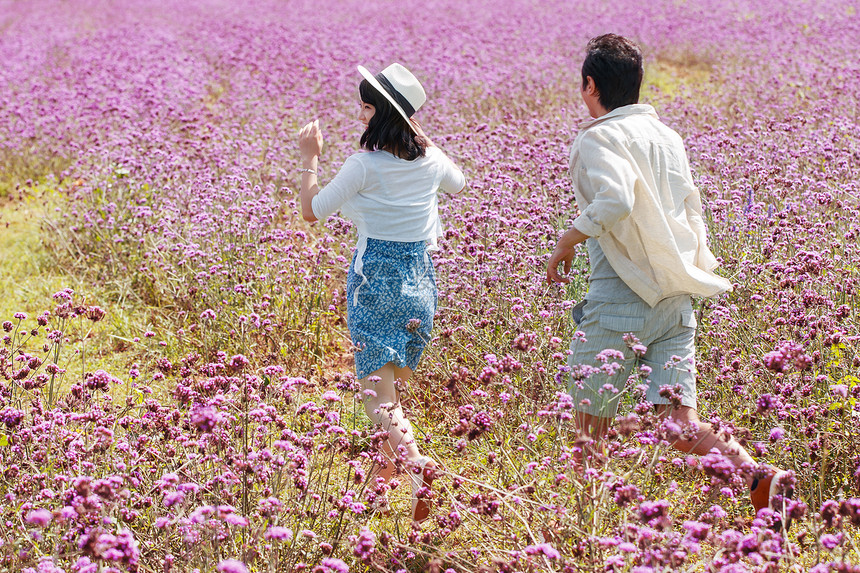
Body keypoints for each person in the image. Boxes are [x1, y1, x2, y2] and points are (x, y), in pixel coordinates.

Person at [546, 34, 794, 531]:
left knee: (589, 422)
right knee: (680, 425)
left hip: (622, 295)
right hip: (677, 296)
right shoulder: (668, 136)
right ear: (638, 85)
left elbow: (614, 201)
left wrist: (565, 242)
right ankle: (756, 476)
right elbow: (689, 206)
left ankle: (588, 531)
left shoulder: (598, 137)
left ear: (589, 85)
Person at [297, 63, 466, 523]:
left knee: (379, 400)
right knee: (390, 401)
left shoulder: (363, 164)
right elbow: (460, 182)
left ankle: (418, 467)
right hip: (419, 284)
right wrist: (417, 132)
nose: (361, 118)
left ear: (384, 114)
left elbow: (312, 211)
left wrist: (309, 157)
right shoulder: (430, 160)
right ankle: (384, 495)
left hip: (375, 284)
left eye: (367, 109)